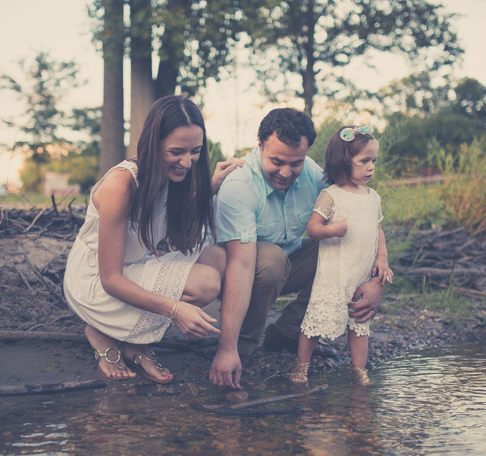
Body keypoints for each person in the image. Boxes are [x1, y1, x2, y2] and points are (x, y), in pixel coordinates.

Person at [64, 96, 243, 384]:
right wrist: (175, 310)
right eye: (176, 151)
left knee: (218, 258)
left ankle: (134, 344)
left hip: (131, 270)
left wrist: (211, 184)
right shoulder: (120, 185)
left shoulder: (171, 177)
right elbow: (110, 278)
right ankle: (100, 329)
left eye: (195, 151)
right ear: (153, 143)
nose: (187, 162)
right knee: (206, 282)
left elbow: (174, 217)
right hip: (96, 282)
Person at [210, 109, 387, 388]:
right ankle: (242, 346)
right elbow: (241, 265)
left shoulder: (312, 175)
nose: (286, 172)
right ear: (259, 144)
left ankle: (287, 333)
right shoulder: (239, 186)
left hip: (288, 263)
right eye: (277, 161)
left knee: (337, 246)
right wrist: (226, 348)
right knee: (272, 259)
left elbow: (361, 219)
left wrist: (378, 281)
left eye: (296, 163)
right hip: (233, 271)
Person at [290, 125, 393, 385]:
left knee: (359, 324)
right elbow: (312, 228)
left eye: (374, 161)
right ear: (344, 161)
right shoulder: (331, 196)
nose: (371, 167)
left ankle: (360, 371)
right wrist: (333, 229)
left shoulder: (373, 197)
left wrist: (382, 259)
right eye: (364, 161)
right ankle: (301, 366)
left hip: (361, 273)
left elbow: (377, 229)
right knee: (315, 320)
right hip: (334, 273)